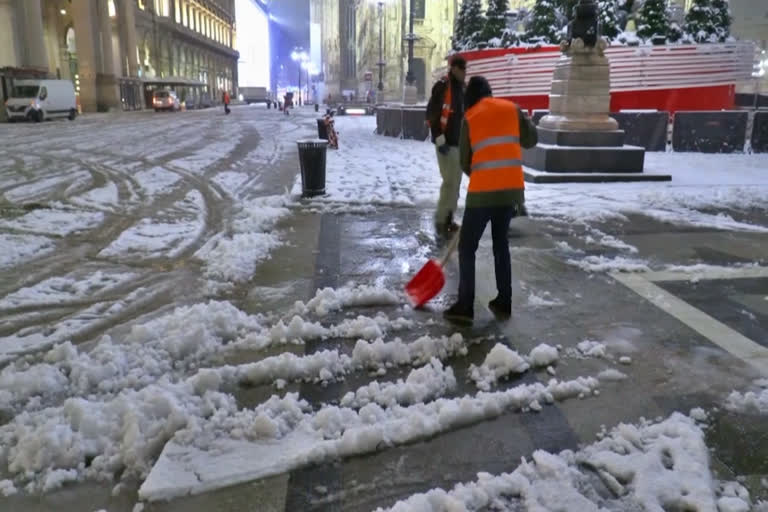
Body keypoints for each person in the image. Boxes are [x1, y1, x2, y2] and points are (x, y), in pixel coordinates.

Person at [443, 76, 538, 326]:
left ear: (470, 99)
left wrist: (483, 175)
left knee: (467, 248)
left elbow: (465, 160)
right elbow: (531, 139)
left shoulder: (470, 117)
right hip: (511, 191)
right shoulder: (512, 109)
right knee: (500, 244)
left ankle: (465, 306)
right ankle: (503, 300)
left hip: (483, 192)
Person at [426, 55, 467, 237]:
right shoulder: (443, 86)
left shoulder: (461, 89)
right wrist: (439, 138)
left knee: (455, 184)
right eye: (463, 69)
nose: (465, 73)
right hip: (445, 143)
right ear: (455, 69)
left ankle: (448, 219)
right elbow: (431, 114)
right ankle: (441, 220)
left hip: (457, 143)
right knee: (449, 182)